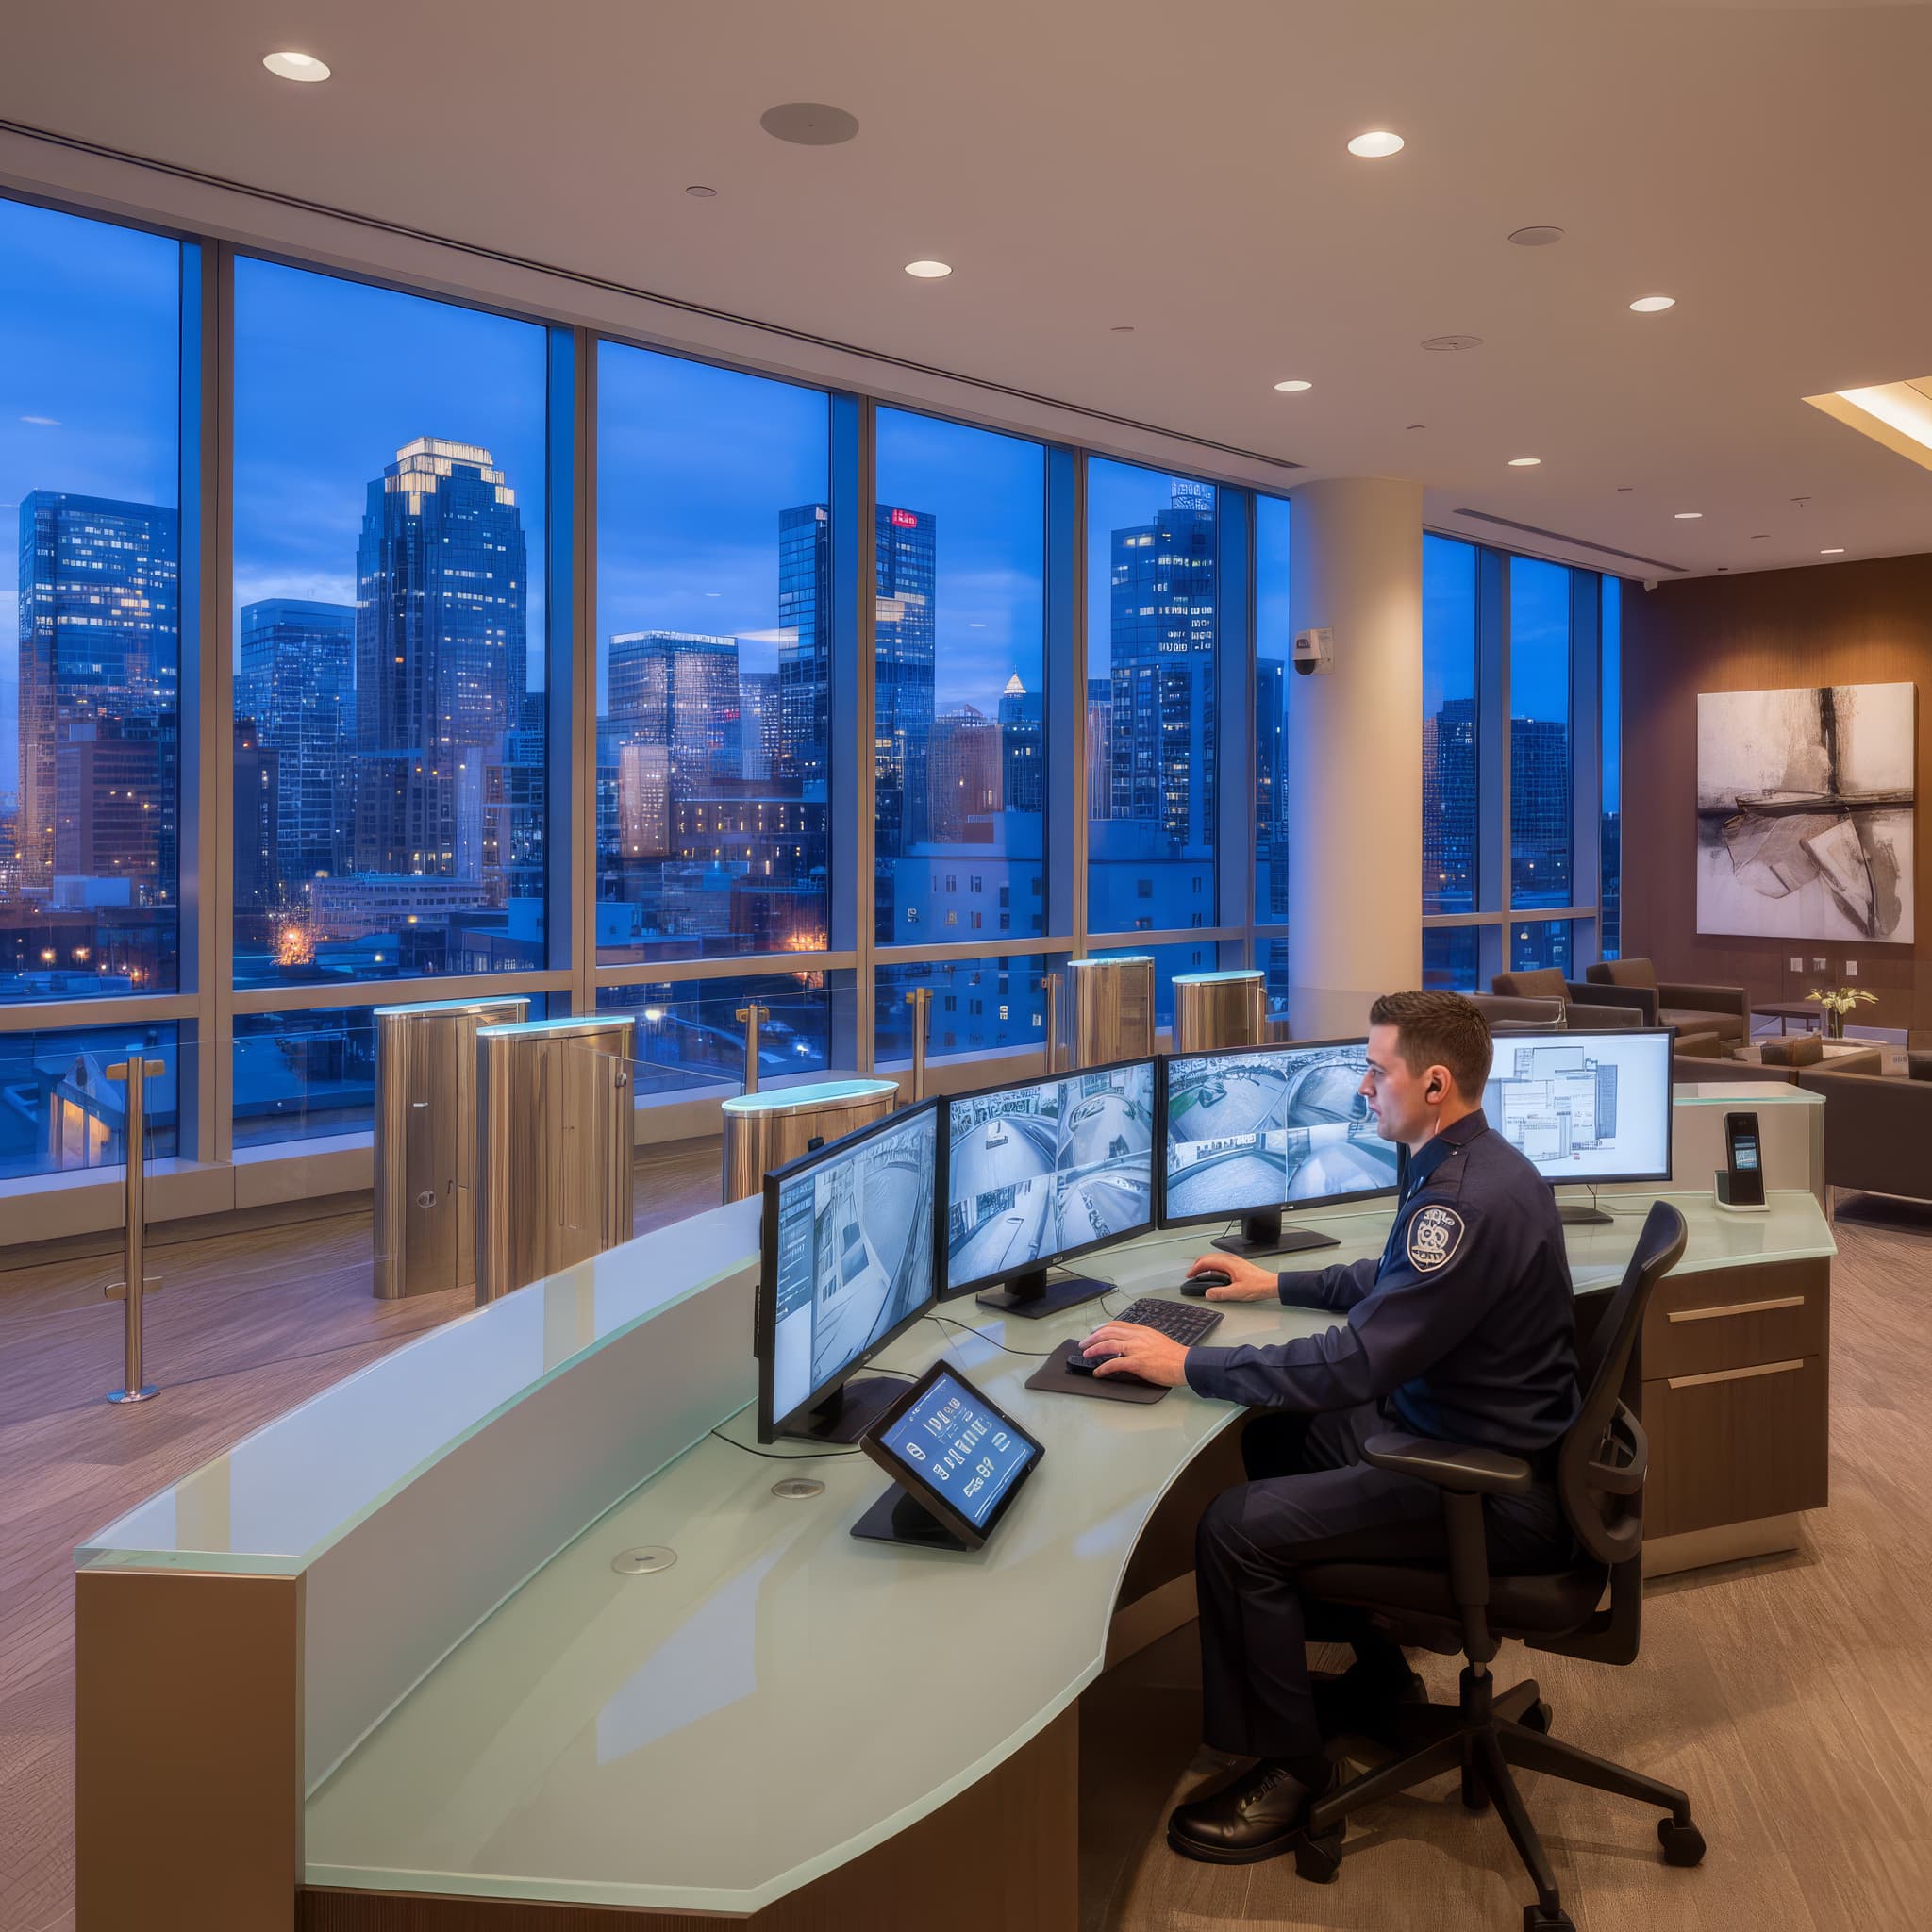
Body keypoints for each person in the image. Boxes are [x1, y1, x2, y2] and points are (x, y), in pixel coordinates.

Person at [1075, 990, 1581, 1865]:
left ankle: (1290, 1768)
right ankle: (1375, 1659)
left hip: (1487, 1486)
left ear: (1433, 1084)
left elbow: (1355, 1364)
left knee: (1235, 1530)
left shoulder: (1457, 1204)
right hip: (1481, 1436)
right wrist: (1277, 1284)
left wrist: (1186, 1364)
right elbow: (1396, 1283)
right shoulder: (1476, 1164)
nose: (1361, 1088)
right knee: (1277, 1439)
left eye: (1376, 1071)